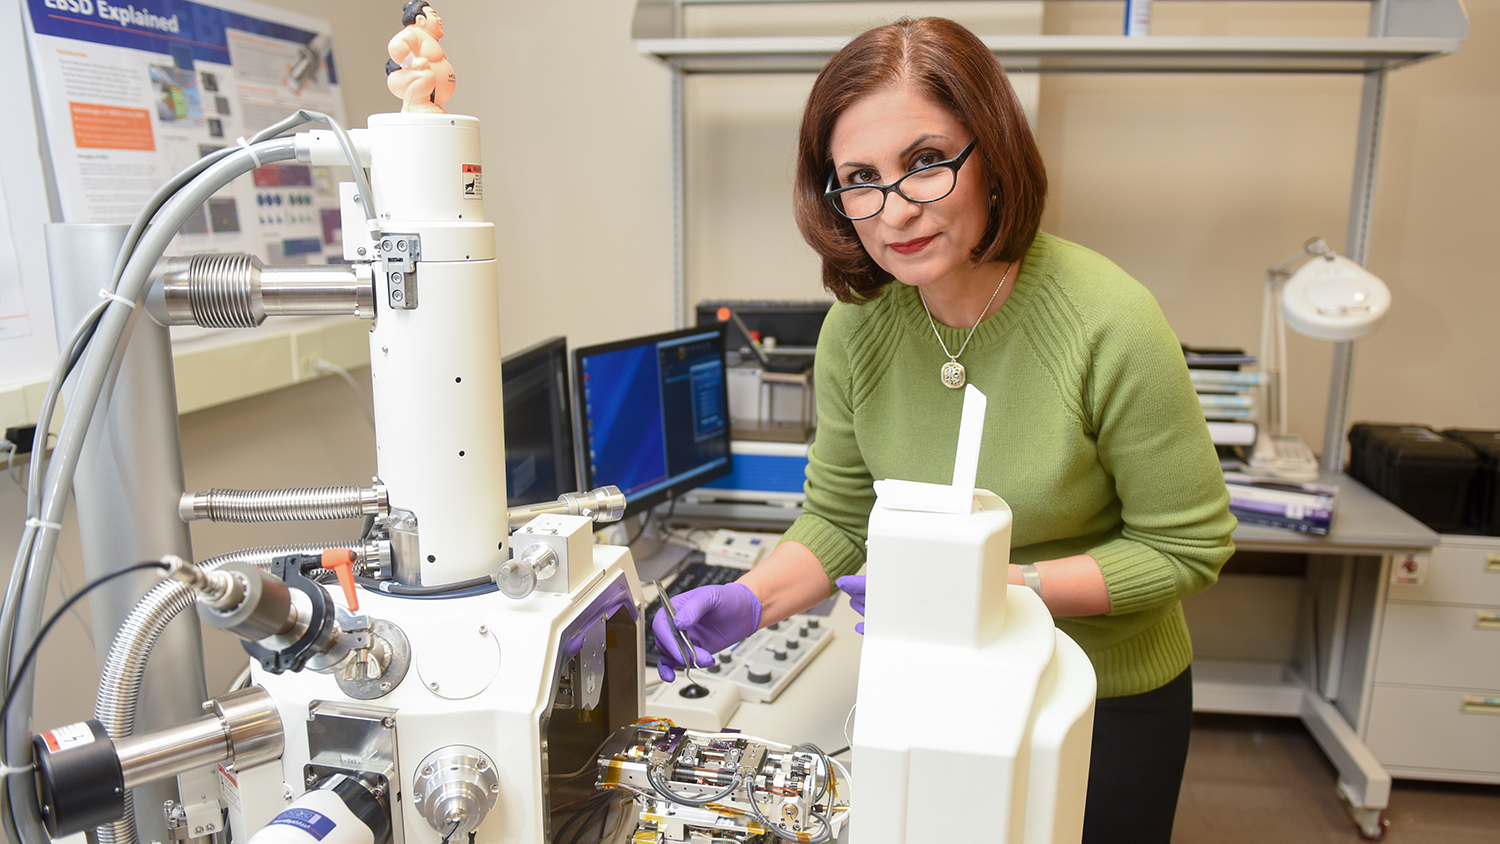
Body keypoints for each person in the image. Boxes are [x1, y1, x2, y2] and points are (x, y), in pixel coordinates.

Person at [652, 16, 1237, 844]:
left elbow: (1187, 549)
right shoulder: (857, 331)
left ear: (991, 154)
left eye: (926, 163)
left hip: (1102, 694)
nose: (894, 210)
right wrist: (754, 601)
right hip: (935, 689)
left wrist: (987, 591)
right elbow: (840, 520)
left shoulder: (1110, 321)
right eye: (860, 178)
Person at [385, 2, 455, 114]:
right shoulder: (414, 33)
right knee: (426, 75)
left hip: (428, 92)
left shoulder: (430, 39)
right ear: (421, 20)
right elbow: (396, 45)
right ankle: (413, 104)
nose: (439, 19)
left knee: (427, 75)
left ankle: (428, 102)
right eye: (434, 15)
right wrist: (411, 63)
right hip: (405, 77)